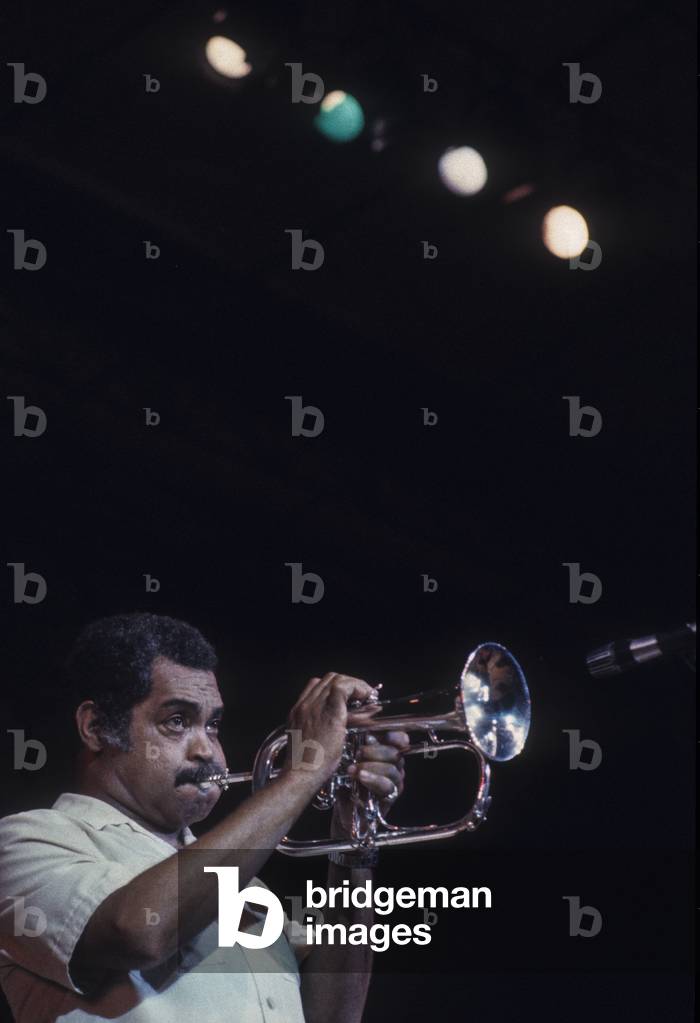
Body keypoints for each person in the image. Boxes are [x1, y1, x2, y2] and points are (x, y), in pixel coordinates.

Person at [0, 613, 408, 1023]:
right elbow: (139, 932)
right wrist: (305, 771)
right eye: (177, 721)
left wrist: (354, 839)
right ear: (97, 727)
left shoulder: (248, 885)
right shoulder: (25, 842)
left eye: (212, 725)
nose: (207, 751)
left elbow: (336, 1016)